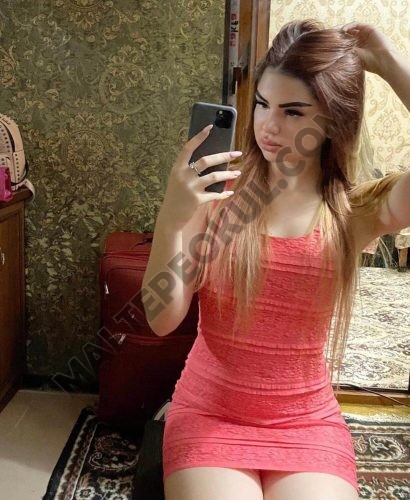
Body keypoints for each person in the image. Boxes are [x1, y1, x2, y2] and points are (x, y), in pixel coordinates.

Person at [141, 19, 410, 500]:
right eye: (263, 104)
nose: (268, 126)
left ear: (332, 120)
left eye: (293, 111)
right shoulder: (218, 192)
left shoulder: (353, 211)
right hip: (210, 414)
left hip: (307, 423)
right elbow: (162, 320)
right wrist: (172, 216)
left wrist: (389, 64)